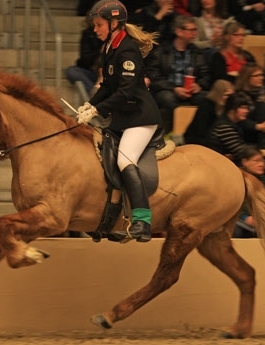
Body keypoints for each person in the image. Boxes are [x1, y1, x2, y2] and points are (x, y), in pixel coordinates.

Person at [76, 0, 162, 243]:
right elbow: (106, 86)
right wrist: (90, 104)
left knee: (125, 160)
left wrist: (97, 110)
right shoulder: (108, 48)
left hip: (140, 119)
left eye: (99, 25)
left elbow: (127, 92)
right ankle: (114, 220)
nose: (95, 29)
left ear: (114, 24)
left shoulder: (127, 51)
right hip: (123, 118)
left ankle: (143, 222)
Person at [147, 15, 210, 133]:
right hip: (169, 89)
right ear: (179, 31)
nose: (194, 33)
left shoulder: (196, 52)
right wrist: (174, 88)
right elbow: (154, 76)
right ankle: (176, 133)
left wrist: (199, 85)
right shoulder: (162, 51)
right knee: (167, 98)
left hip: (191, 90)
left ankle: (198, 134)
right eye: (190, 30)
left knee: (207, 98)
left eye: (195, 30)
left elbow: (206, 75)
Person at [233, 146, 265, 238]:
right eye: (257, 161)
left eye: (263, 161)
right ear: (244, 162)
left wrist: (262, 218)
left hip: (263, 221)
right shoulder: (235, 181)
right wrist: (245, 218)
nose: (262, 164)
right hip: (239, 221)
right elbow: (230, 205)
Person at [184, 79, 234, 146]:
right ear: (218, 94)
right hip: (197, 141)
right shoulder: (206, 106)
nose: (229, 98)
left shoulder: (228, 106)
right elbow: (201, 132)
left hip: (215, 140)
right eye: (226, 95)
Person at [207, 91, 252, 163]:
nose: (246, 111)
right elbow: (242, 153)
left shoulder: (237, 124)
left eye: (247, 108)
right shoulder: (224, 127)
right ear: (232, 109)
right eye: (243, 108)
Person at [65, 24, 103, 97]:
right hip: (92, 70)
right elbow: (84, 58)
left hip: (110, 73)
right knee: (72, 71)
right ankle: (95, 94)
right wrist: (99, 52)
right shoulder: (88, 34)